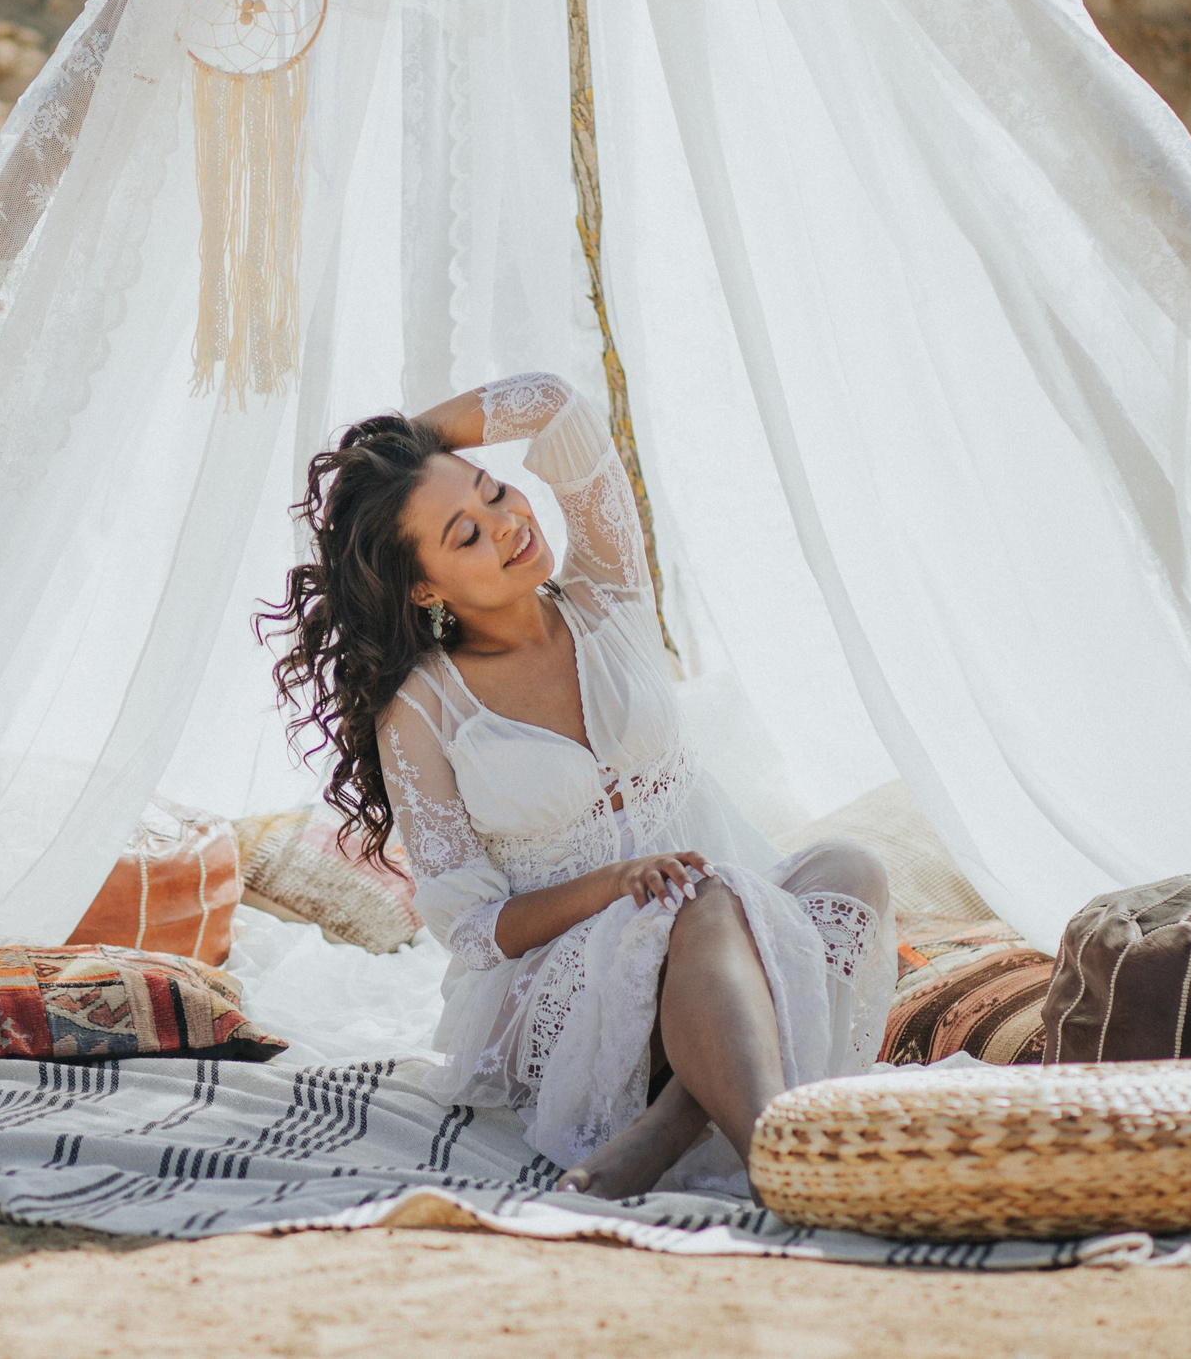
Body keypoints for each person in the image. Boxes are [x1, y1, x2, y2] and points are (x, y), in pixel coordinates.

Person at [267, 373, 895, 1197]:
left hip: (722, 925)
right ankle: (778, 1152)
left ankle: (670, 1123)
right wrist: (614, 884)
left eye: (496, 493)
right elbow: (473, 927)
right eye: (465, 533)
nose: (509, 524)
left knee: (852, 870)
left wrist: (394, 457)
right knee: (697, 906)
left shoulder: (609, 593)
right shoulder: (424, 708)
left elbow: (557, 408)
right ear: (426, 588)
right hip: (564, 984)